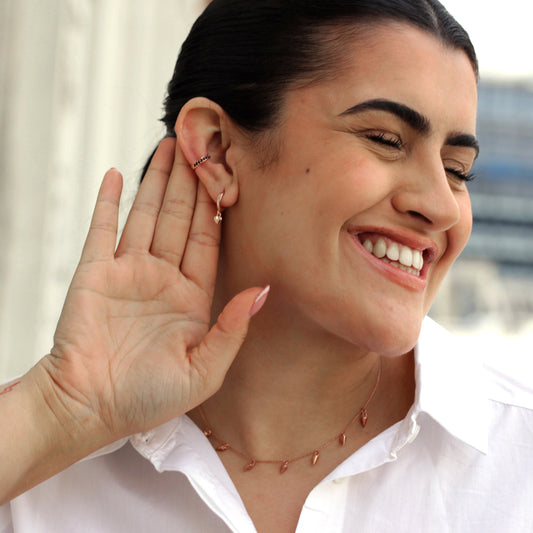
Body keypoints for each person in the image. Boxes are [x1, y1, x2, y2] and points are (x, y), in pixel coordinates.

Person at [1, 0, 532, 531]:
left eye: (457, 170)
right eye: (386, 141)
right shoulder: (39, 461)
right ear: (217, 149)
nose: (441, 206)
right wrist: (60, 411)